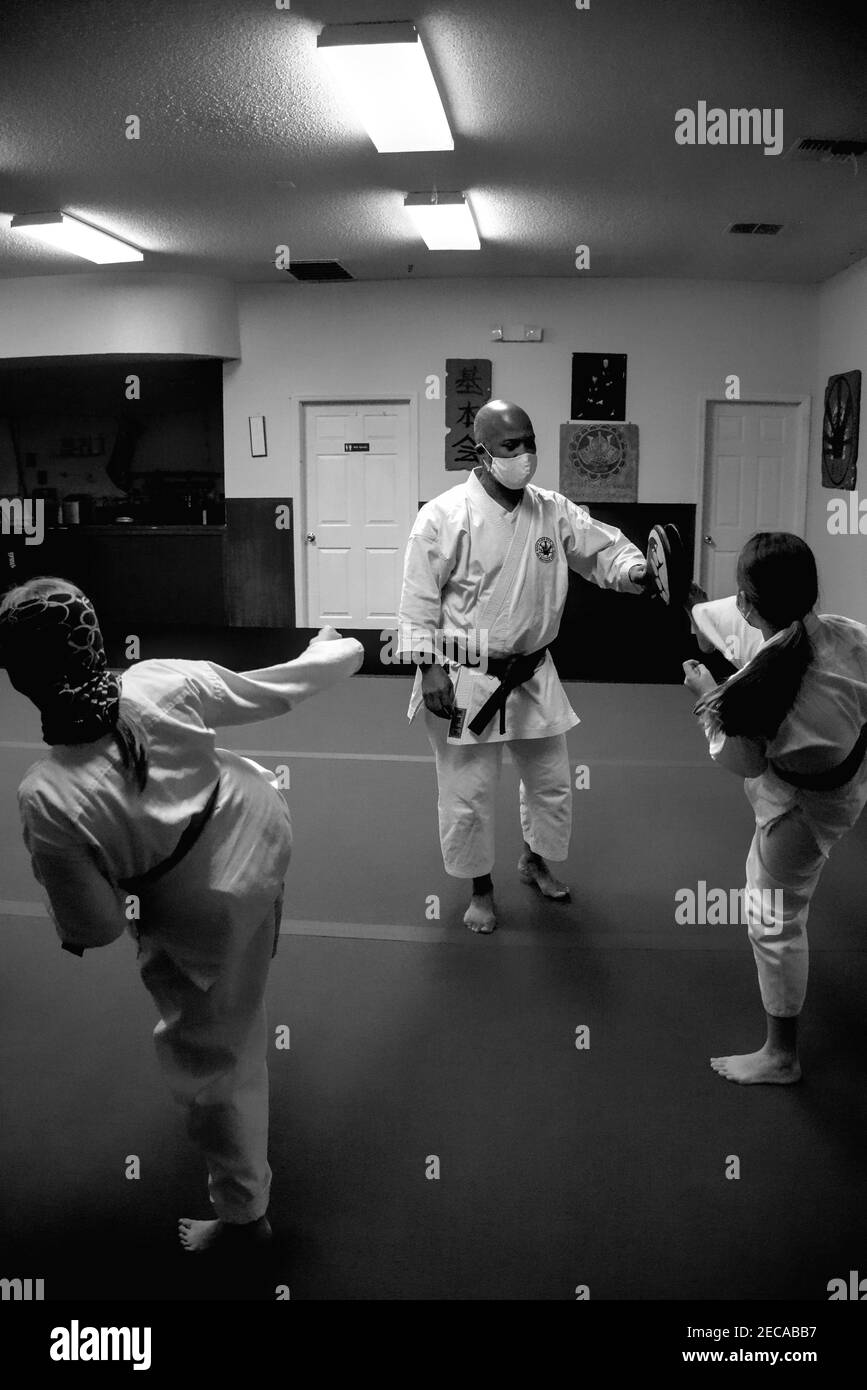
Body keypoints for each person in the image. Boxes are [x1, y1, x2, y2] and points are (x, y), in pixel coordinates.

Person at [0, 577, 363, 1251]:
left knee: (214, 1069)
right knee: (249, 950)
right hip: (262, 831)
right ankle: (250, 976)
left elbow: (97, 927)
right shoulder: (158, 682)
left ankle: (244, 1216)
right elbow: (278, 687)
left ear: (23, 680)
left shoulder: (48, 796)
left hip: (205, 917)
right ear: (95, 640)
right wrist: (333, 651)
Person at [398, 398, 655, 934]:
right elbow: (418, 599)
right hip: (464, 673)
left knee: (551, 782)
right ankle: (480, 888)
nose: (524, 455)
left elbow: (602, 549)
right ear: (482, 451)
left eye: (529, 443)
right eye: (511, 446)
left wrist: (632, 571)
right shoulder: (442, 516)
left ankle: (533, 861)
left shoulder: (552, 508)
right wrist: (430, 669)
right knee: (468, 793)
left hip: (533, 672)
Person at [683, 533, 867, 1084]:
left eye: (741, 594)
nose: (736, 604)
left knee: (772, 914)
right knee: (724, 626)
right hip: (848, 780)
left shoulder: (752, 692)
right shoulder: (850, 634)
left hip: (801, 810)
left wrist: (705, 695)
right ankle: (692, 607)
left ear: (750, 603)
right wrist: (695, 608)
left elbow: (742, 761)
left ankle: (781, 1056)